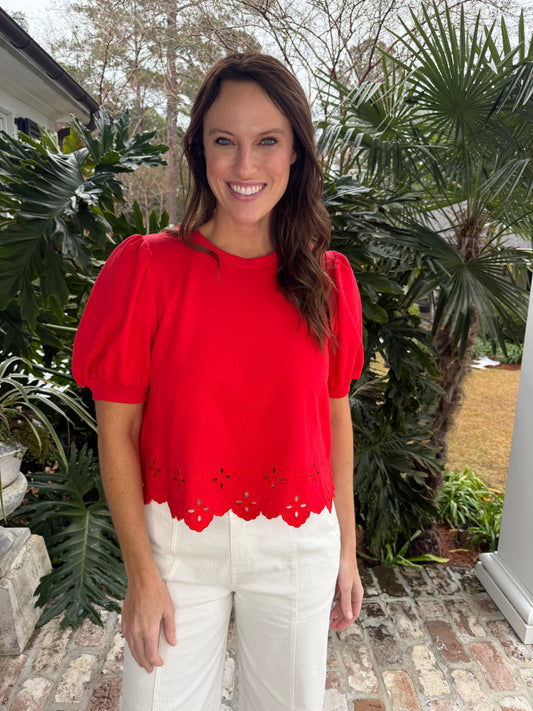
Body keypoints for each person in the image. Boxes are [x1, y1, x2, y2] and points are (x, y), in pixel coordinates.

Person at [72, 51, 364, 711]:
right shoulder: (145, 270)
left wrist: (347, 549)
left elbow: (335, 417)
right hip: (176, 546)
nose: (243, 165)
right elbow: (116, 431)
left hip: (295, 545)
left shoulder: (326, 280)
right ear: (200, 149)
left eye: (267, 142)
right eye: (223, 141)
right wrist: (141, 574)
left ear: (295, 154)